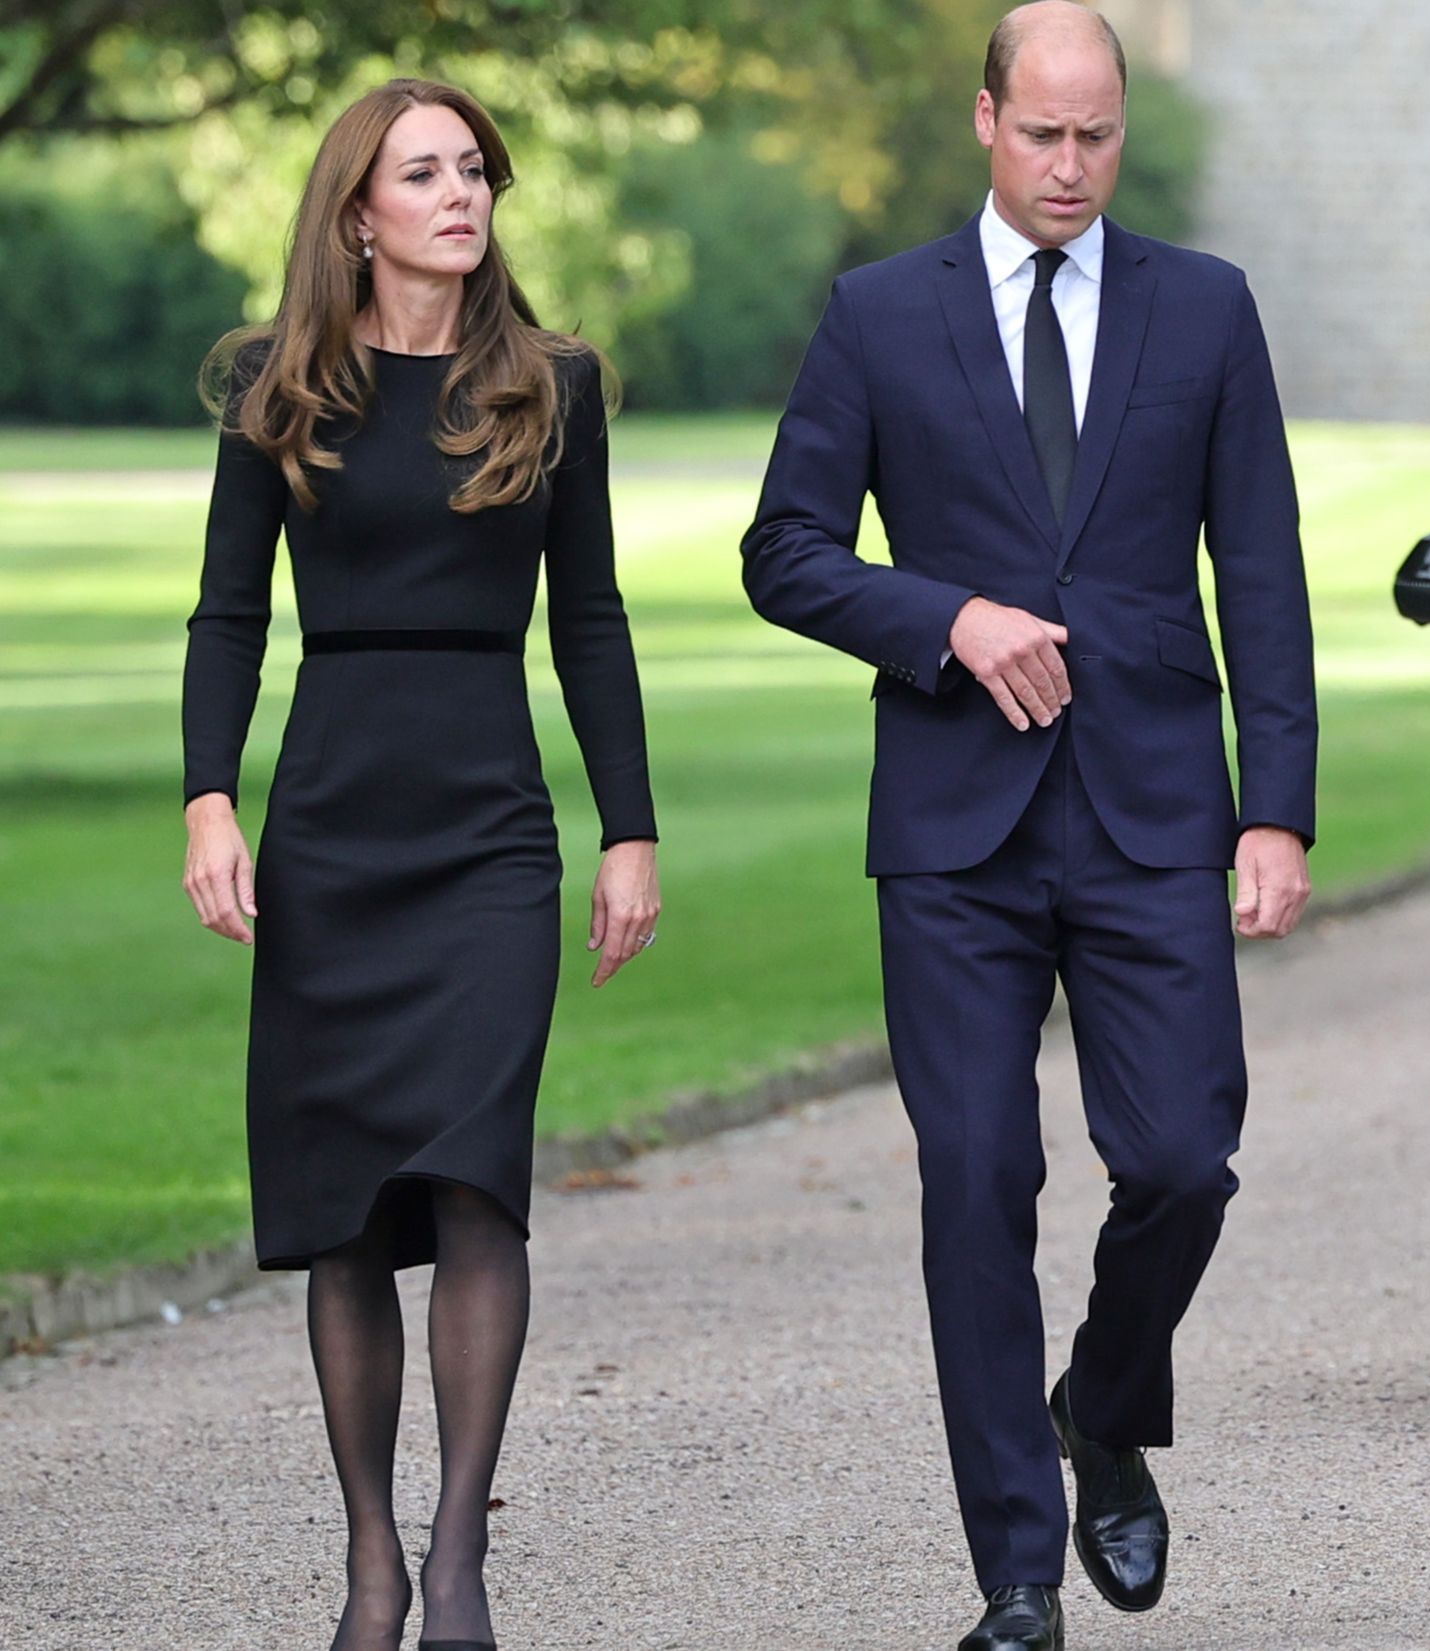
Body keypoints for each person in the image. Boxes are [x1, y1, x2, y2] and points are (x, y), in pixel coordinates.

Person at [738, 4, 1315, 1647]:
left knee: (1184, 1163)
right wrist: (949, 621)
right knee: (977, 1176)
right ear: (985, 121)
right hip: (953, 830)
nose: (1072, 166)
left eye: (1099, 136)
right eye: (1044, 133)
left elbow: (1260, 579)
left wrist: (1277, 813)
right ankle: (1014, 1571)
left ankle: (1105, 1407)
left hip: (1150, 815)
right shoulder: (875, 317)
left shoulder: (1203, 309)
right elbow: (786, 552)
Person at [180, 77, 660, 1651]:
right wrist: (207, 800)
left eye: (475, 173)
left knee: (474, 1188)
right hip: (333, 826)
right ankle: (370, 1560)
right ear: (357, 210)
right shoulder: (277, 387)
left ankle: (455, 1567)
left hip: (488, 840)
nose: (461, 196)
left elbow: (589, 623)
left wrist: (629, 830)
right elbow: (230, 619)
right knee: (343, 1212)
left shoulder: (552, 385)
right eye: (425, 174)